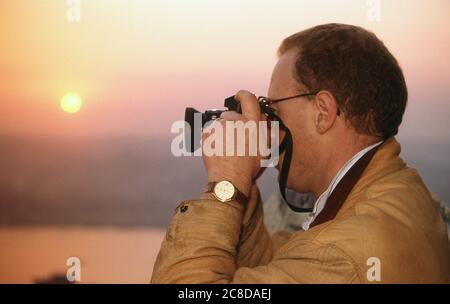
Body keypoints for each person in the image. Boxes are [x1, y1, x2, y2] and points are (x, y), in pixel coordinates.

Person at [151, 23, 450, 283]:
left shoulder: (343, 256)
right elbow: (282, 266)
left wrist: (225, 186)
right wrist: (245, 188)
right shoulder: (395, 189)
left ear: (323, 112)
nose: (269, 123)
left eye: (274, 108)